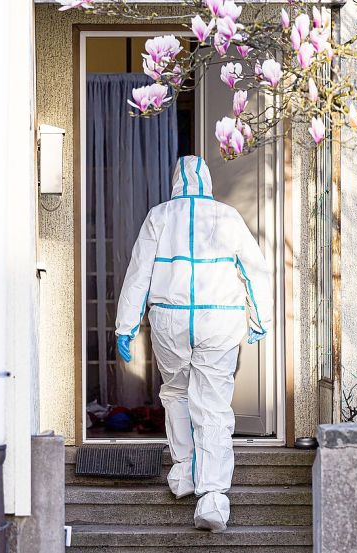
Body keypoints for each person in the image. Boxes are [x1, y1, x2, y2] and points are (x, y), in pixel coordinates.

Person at [115, 155, 272, 533]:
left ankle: (185, 472)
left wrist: (126, 325)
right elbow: (254, 269)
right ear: (208, 182)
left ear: (175, 182)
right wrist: (259, 318)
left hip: (170, 320)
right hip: (218, 319)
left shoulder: (159, 215)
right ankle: (213, 497)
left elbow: (139, 272)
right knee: (213, 404)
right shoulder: (227, 216)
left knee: (176, 393)